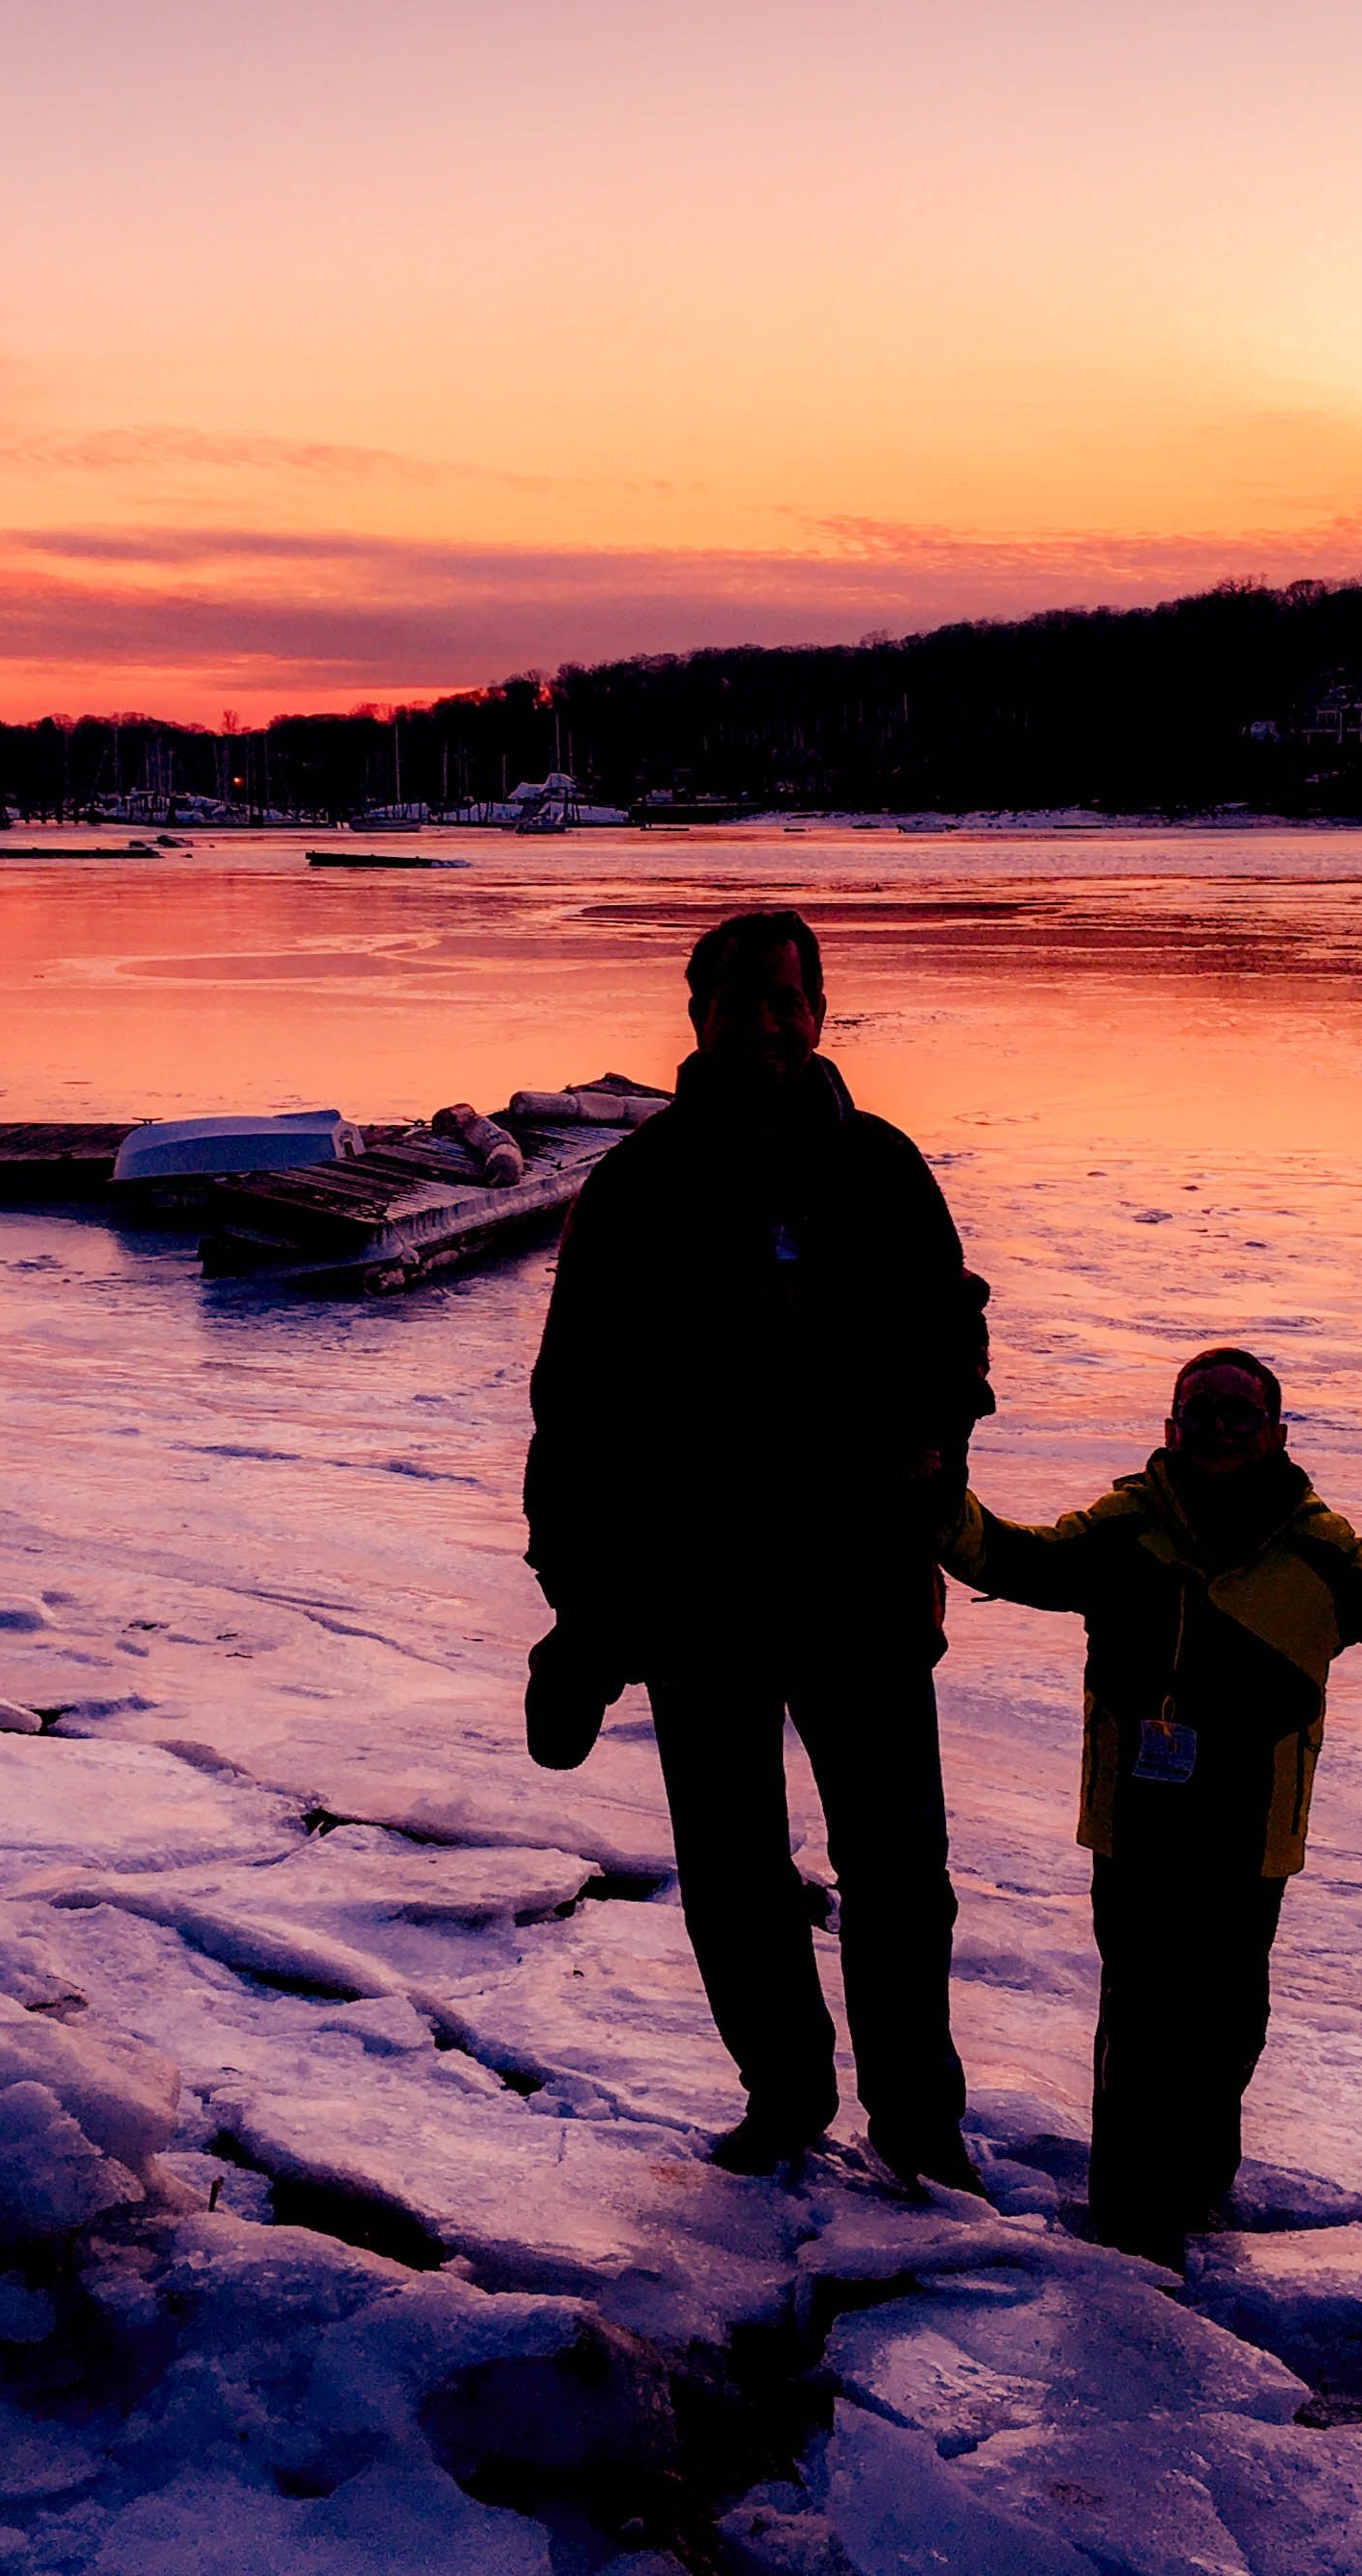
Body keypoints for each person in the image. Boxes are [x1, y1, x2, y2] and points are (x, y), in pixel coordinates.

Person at [521, 909, 994, 2188]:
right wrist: (579, 1600)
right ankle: (785, 2092)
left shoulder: (884, 1172)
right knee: (733, 1874)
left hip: (859, 1587)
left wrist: (933, 1475)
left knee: (901, 1874)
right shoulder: (637, 1189)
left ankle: (916, 2121)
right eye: (746, 1001)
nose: (772, 1024)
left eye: (792, 1000)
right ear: (700, 1019)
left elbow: (953, 1349)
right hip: (702, 1593)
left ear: (821, 1014)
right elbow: (575, 1404)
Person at [941, 1348, 1362, 2269]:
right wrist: (939, 1492)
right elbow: (1016, 1559)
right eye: (1201, 1411)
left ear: (1275, 1434)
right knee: (1138, 2013)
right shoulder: (1125, 1531)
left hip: (1248, 1832)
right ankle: (1130, 2217)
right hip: (1137, 1823)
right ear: (1172, 1429)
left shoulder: (1312, 1547)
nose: (1218, 1427)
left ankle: (1198, 2186)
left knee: (1226, 2016)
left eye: (1238, 1414)